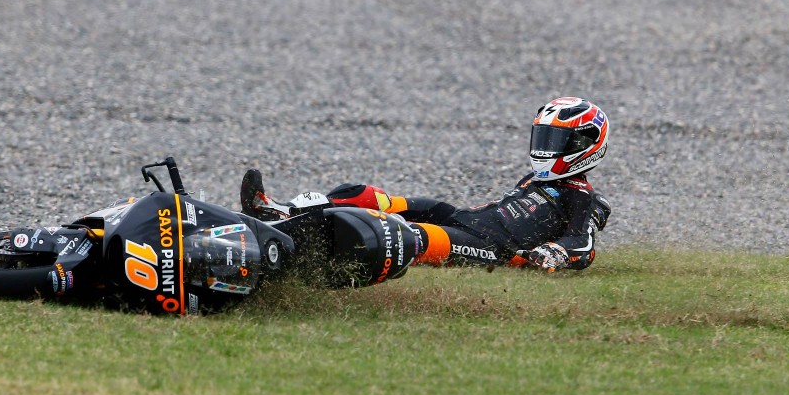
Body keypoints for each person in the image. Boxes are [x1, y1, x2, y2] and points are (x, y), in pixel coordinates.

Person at [240, 96, 612, 272]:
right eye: (544, 138)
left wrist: (553, 254)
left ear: (586, 145)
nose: (546, 149)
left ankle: (292, 255)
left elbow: (582, 246)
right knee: (367, 196)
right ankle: (284, 211)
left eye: (557, 141)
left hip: (489, 246)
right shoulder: (532, 179)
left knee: (400, 236)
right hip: (465, 218)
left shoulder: (584, 199)